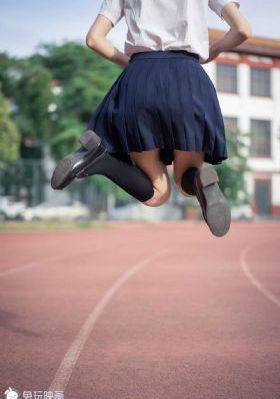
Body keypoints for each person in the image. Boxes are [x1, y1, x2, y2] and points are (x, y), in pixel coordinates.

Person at [51, 0, 252, 237]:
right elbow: (242, 30)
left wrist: (135, 65)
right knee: (182, 183)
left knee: (158, 191)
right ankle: (199, 179)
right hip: (188, 77)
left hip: (139, 78)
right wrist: (213, 50)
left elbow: (94, 39)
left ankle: (99, 160)